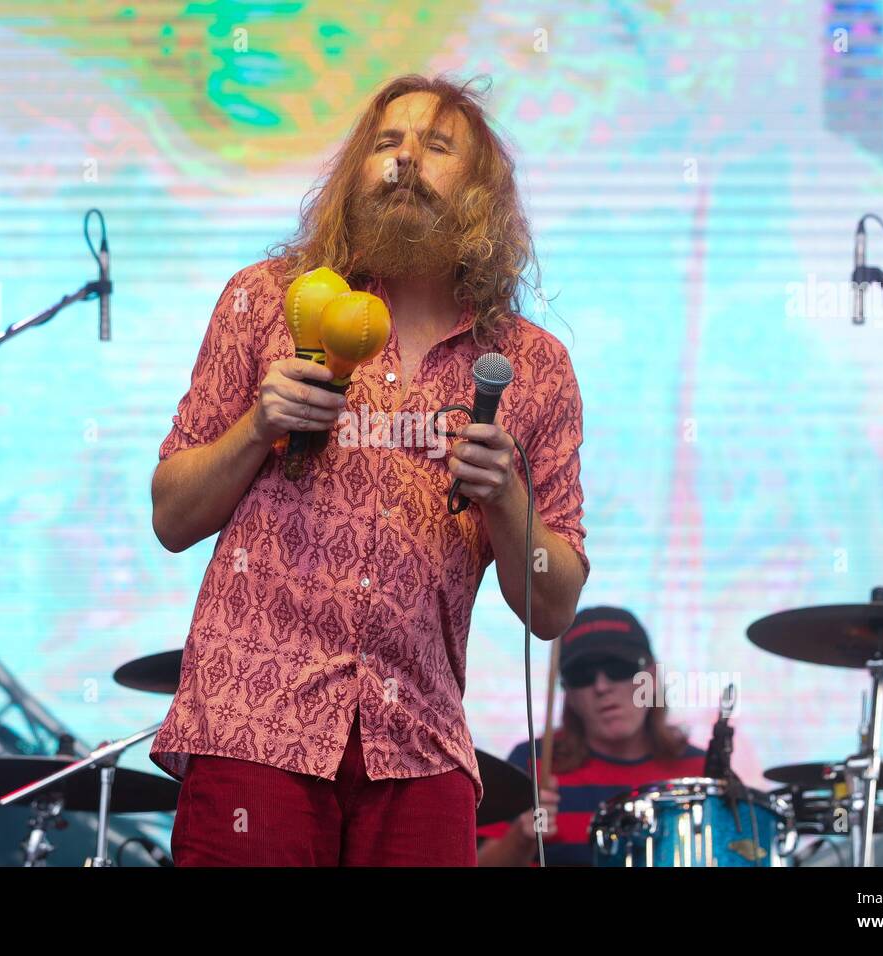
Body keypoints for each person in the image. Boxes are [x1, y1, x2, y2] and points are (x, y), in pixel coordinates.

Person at [148, 74, 589, 866]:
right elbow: (171, 518)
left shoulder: (534, 366)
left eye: (436, 146)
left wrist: (507, 499)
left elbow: (552, 605)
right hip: (255, 721)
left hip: (417, 748)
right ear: (354, 171)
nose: (405, 159)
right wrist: (258, 426)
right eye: (386, 143)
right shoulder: (265, 301)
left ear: (483, 197)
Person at [477, 606, 706, 866]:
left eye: (618, 668)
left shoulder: (701, 771)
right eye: (581, 674)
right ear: (568, 693)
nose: (601, 686)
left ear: (651, 677)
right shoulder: (533, 764)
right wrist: (521, 838)